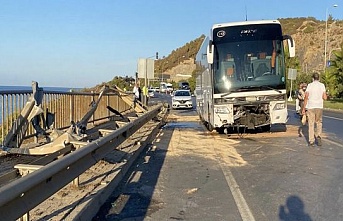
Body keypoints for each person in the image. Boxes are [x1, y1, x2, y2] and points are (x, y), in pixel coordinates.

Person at [302, 72, 327, 146]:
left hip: (311, 106)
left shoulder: (309, 85)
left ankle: (311, 141)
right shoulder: (322, 85)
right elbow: (325, 97)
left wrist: (304, 108)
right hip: (319, 106)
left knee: (311, 123)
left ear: (312, 78)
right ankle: (318, 136)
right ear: (318, 78)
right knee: (319, 122)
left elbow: (306, 97)